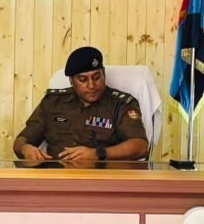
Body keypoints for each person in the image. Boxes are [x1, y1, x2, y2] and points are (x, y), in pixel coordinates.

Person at [13, 46, 149, 163]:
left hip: (100, 178)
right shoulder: (53, 102)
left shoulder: (121, 104)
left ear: (104, 74)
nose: (92, 85)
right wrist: (26, 149)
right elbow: (20, 141)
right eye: (83, 80)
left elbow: (140, 147)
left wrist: (97, 154)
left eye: (97, 78)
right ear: (71, 81)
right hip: (55, 176)